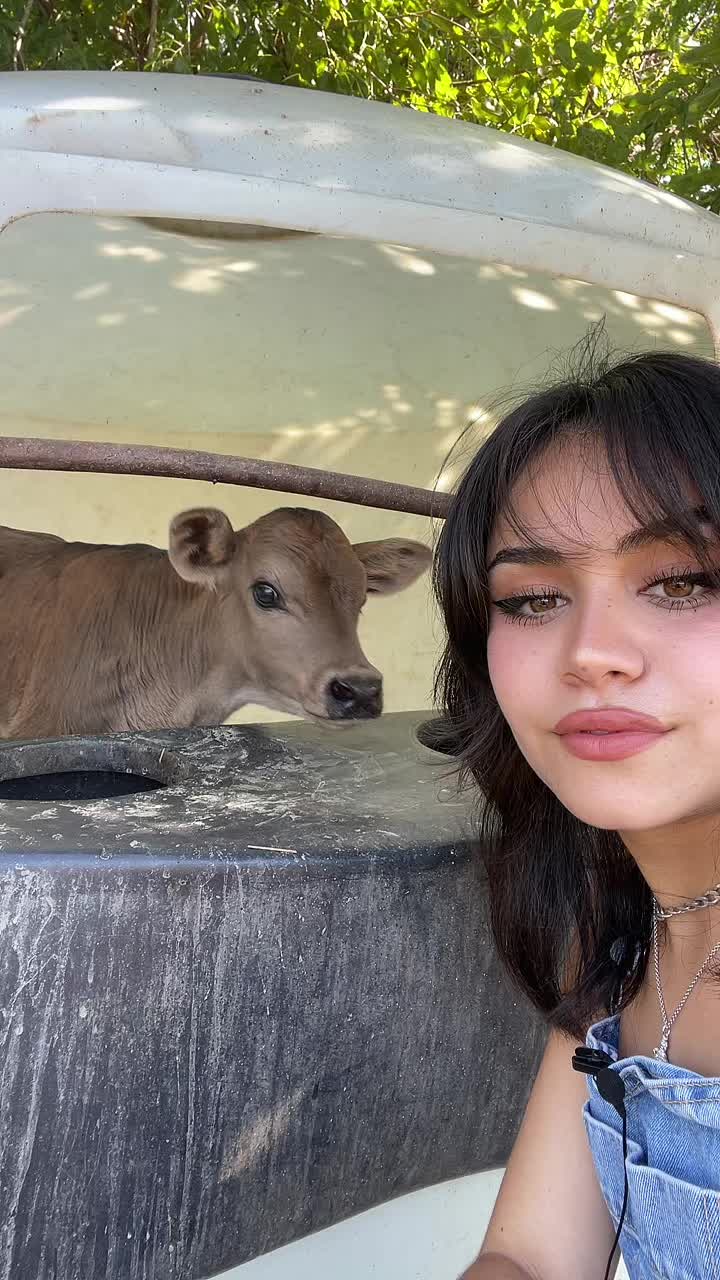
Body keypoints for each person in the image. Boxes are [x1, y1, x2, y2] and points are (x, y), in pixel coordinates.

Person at [430, 345, 720, 1280]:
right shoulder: (620, 922)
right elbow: (529, 1256)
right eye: (533, 598)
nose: (592, 652)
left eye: (684, 580)